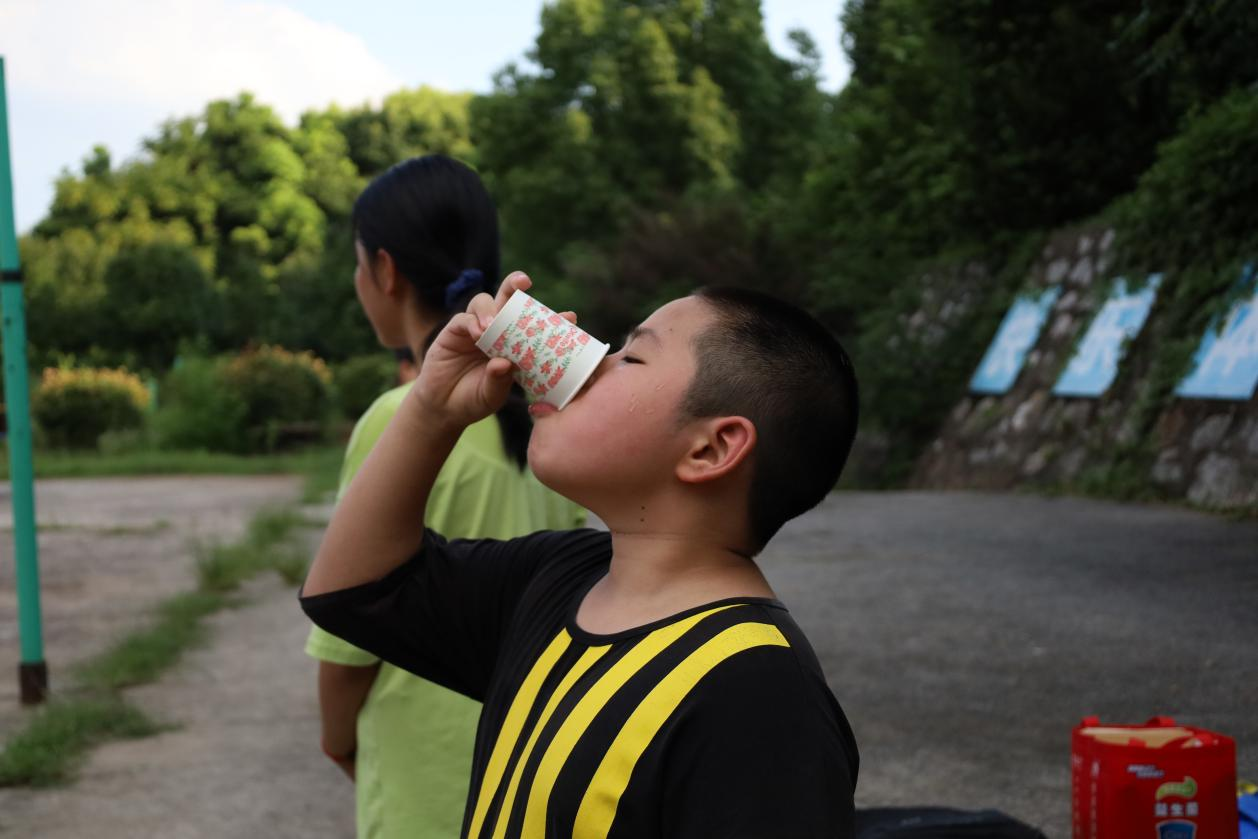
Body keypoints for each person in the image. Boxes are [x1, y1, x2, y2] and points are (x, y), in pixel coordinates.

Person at [302, 273, 861, 838]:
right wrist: (431, 411)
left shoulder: (761, 697)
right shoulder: (560, 576)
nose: (588, 363)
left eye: (630, 358)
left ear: (711, 448)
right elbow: (352, 590)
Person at [305, 157, 584, 839]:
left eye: (357, 262)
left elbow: (349, 623)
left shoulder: (402, 419)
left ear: (385, 271)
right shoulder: (546, 414)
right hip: (535, 762)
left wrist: (337, 738)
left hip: (429, 776)